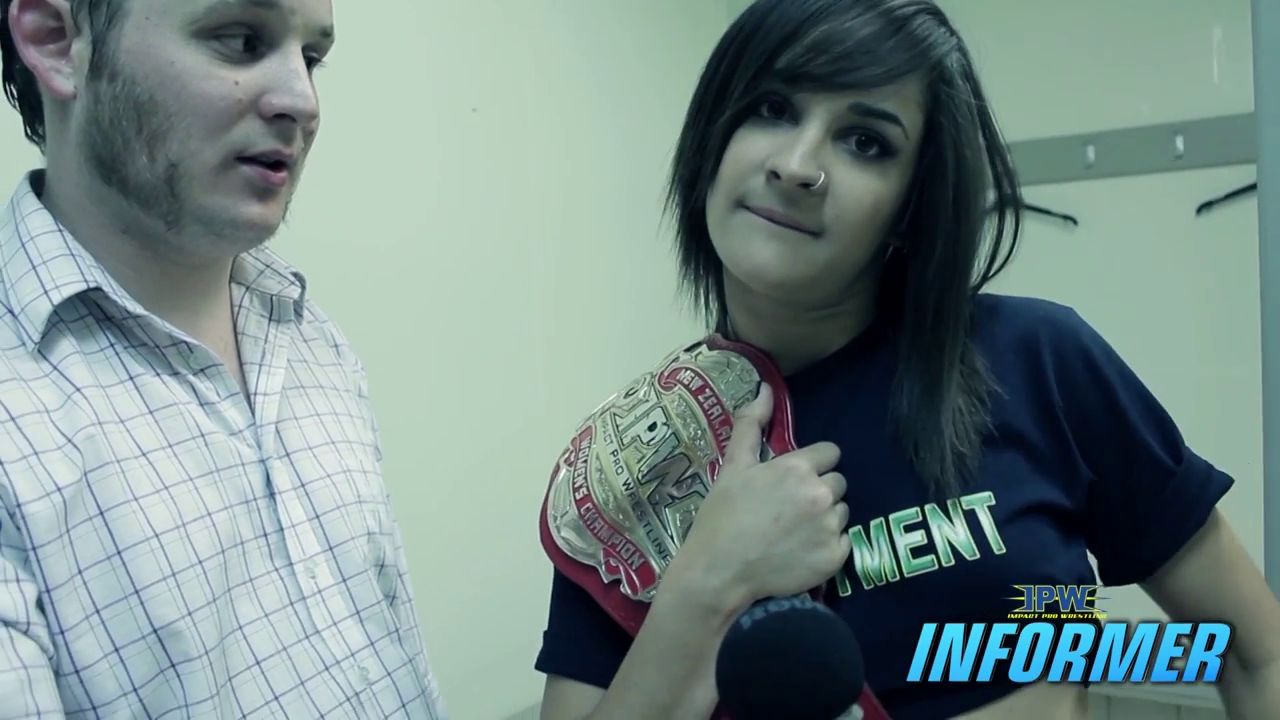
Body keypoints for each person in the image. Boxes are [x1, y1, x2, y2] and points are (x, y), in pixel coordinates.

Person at [534, 1, 1280, 719]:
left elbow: (1254, 655)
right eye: (772, 107)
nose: (797, 165)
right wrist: (708, 583)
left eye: (866, 142)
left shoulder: (1039, 361)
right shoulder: (636, 459)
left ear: (909, 208)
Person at [0, 0, 446, 717]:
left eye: (312, 57)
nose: (304, 101)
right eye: (240, 40)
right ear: (56, 40)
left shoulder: (308, 336)